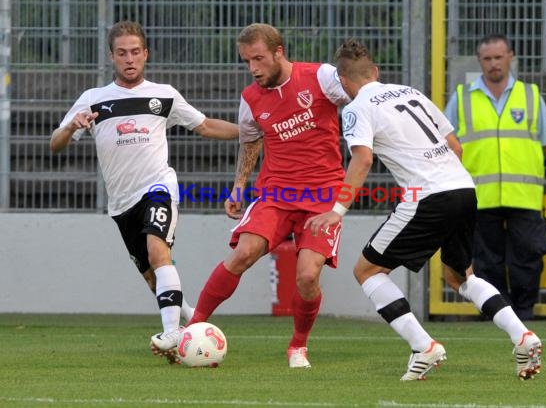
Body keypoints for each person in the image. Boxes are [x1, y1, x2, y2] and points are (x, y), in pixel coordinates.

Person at [305, 38, 543, 380]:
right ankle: (522, 335)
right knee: (460, 275)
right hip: (463, 187)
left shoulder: (357, 108)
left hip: (427, 195)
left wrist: (337, 210)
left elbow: (363, 158)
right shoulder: (410, 92)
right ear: (376, 71)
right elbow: (455, 146)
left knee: (367, 271)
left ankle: (424, 346)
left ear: (343, 82)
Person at [158, 22, 351, 368]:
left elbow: (358, 96)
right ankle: (192, 329)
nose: (253, 69)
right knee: (243, 252)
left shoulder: (321, 77)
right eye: (246, 61)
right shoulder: (250, 99)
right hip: (275, 192)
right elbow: (250, 141)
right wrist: (239, 185)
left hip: (323, 195)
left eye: (259, 59)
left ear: (279, 52)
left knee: (307, 276)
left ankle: (298, 347)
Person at [50, 20, 239, 363]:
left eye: (135, 52)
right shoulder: (93, 100)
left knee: (158, 249)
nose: (129, 59)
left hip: (158, 187)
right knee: (154, 279)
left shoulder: (163, 94)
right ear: (112, 57)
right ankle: (192, 320)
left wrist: (249, 132)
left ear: (145, 54)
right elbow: (54, 143)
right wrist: (71, 127)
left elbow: (206, 125)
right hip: (121, 204)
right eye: (122, 53)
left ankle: (171, 333)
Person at [444, 34, 546, 321]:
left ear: (511, 56)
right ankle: (497, 314)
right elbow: (446, 144)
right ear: (480, 61)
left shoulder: (531, 95)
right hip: (479, 194)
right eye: (487, 58)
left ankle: (524, 313)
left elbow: (545, 141)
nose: (493, 64)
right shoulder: (462, 97)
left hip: (524, 196)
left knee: (528, 257)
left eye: (499, 57)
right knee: (486, 262)